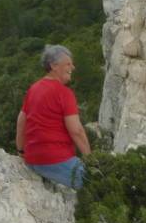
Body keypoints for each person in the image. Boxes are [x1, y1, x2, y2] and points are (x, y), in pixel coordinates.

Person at [15, 44, 91, 188]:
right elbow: (77, 131)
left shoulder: (34, 89)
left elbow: (21, 122)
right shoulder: (64, 93)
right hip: (55, 159)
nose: (73, 67)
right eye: (68, 64)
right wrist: (92, 161)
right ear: (54, 66)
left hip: (32, 160)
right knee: (96, 183)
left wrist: (21, 151)